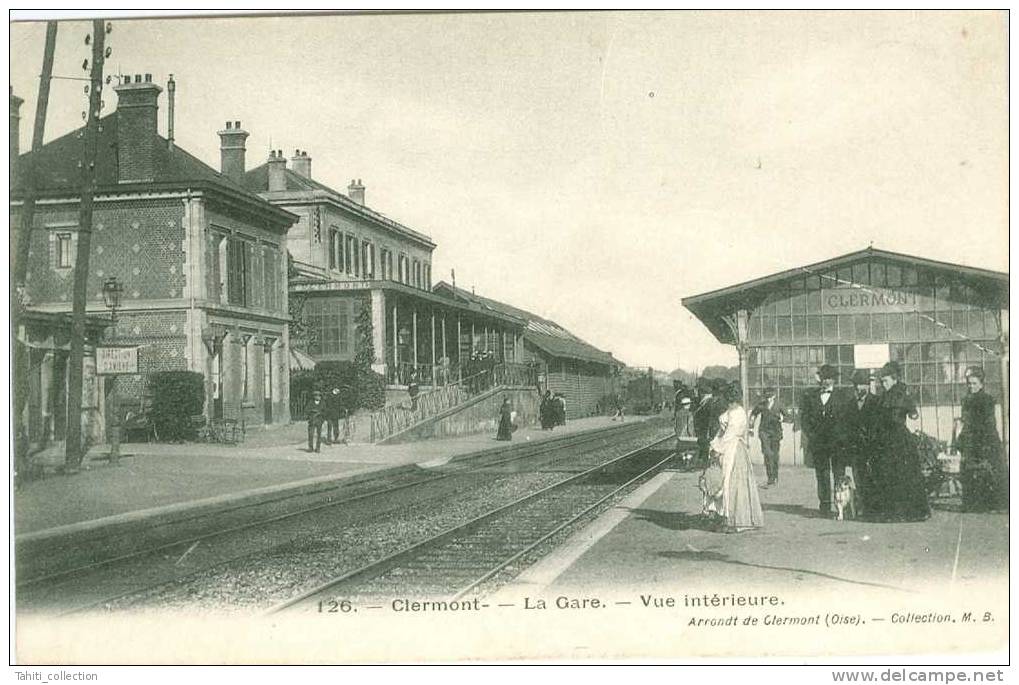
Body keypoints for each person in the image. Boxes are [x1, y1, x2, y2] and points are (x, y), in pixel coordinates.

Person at [870, 362, 929, 522]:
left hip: (899, 439)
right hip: (885, 439)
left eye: (886, 380)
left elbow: (914, 415)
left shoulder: (903, 396)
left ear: (895, 379)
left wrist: (910, 411)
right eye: (882, 381)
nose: (883, 384)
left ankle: (907, 512)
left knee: (903, 475)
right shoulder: (884, 397)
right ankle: (893, 512)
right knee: (888, 475)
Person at [709, 382, 764, 532]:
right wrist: (714, 445)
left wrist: (717, 448)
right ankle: (726, 516)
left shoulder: (738, 413)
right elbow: (722, 433)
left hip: (733, 450)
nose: (730, 400)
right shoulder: (731, 410)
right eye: (729, 397)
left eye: (732, 397)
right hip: (728, 448)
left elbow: (730, 434)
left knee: (731, 482)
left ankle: (736, 521)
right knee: (725, 482)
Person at [955, 366, 1007, 512]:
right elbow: (966, 421)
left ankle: (994, 504)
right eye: (969, 383)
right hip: (971, 439)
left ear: (981, 384)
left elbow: (989, 422)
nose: (971, 386)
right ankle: (974, 504)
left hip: (985, 438)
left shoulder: (987, 400)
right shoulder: (966, 400)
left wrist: (984, 442)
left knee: (989, 470)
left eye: (975, 383)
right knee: (970, 471)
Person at [800, 364, 847, 517]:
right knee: (822, 474)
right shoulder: (811, 396)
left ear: (834, 380)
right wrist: (812, 435)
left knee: (839, 474)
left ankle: (842, 507)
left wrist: (842, 437)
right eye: (824, 378)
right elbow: (805, 419)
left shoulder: (842, 396)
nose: (827, 381)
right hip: (819, 444)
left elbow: (847, 420)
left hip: (838, 444)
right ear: (820, 379)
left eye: (830, 378)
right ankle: (825, 506)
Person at [844, 369, 880, 512]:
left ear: (868, 386)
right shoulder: (850, 404)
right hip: (856, 450)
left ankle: (874, 509)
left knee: (874, 478)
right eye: (857, 385)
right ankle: (864, 508)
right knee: (859, 478)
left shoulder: (876, 402)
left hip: (872, 449)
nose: (860, 388)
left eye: (863, 385)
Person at [749, 388, 790, 487]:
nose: (768, 399)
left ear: (774, 396)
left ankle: (775, 476)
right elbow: (753, 414)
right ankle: (770, 477)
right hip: (764, 432)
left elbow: (789, 417)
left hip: (776, 432)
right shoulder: (761, 404)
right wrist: (751, 427)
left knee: (775, 455)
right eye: (766, 397)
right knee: (767, 454)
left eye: (770, 397)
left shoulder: (779, 404)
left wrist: (782, 418)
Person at [691, 378, 718, 468]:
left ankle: (705, 464)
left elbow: (709, 419)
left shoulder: (708, 402)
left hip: (706, 433)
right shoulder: (705, 402)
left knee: (705, 449)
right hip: (704, 433)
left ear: (701, 391)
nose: (695, 392)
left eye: (697, 389)